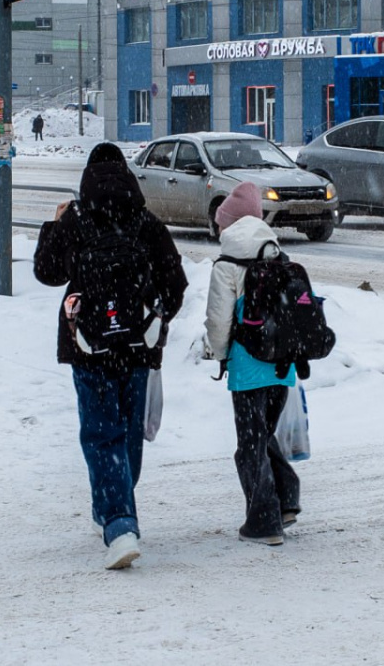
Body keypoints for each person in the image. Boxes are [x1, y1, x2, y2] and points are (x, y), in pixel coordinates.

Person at [33, 142, 187, 570]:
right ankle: (116, 507)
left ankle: (118, 523)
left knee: (102, 436)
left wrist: (55, 224)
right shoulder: (145, 221)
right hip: (136, 350)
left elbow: (46, 273)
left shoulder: (76, 221)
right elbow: (176, 285)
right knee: (127, 435)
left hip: (89, 346)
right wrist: (153, 319)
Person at [204, 182, 302, 547]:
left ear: (228, 226)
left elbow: (218, 321)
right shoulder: (279, 256)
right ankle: (286, 500)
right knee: (261, 438)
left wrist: (216, 353)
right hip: (282, 368)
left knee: (250, 444)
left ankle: (264, 522)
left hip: (247, 369)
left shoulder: (228, 265)